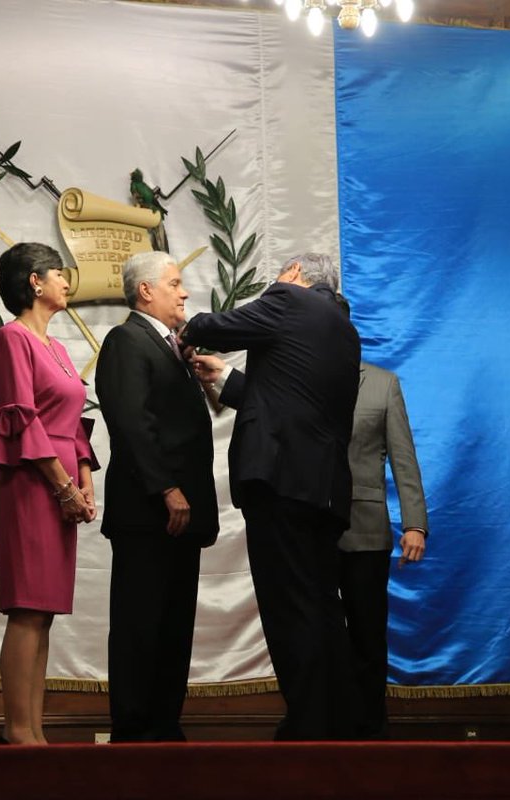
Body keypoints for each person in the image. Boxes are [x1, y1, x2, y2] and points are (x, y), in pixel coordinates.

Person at [184, 252, 361, 740]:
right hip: (324, 489)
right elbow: (291, 398)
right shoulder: (343, 328)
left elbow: (216, 327)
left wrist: (186, 326)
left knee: (288, 606)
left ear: (296, 274)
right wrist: (225, 378)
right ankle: (337, 721)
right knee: (322, 604)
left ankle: (306, 724)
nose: (277, 281)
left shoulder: (288, 299)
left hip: (281, 482)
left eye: (281, 274)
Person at [94, 251, 219, 742]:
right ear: (145, 290)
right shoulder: (126, 340)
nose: (184, 292)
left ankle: (165, 727)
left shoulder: (173, 347)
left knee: (174, 627)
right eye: (174, 283)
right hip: (148, 513)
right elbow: (132, 423)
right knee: (139, 624)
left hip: (179, 516)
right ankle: (133, 732)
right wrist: (167, 487)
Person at [0, 242, 99, 745]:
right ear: (35, 281)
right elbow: (23, 420)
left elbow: (72, 423)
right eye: (59, 272)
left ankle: (35, 731)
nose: (66, 281)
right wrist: (63, 486)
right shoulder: (12, 338)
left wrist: (85, 479)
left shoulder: (57, 347)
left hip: (60, 485)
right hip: (30, 482)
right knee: (27, 607)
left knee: (45, 611)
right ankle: (17, 731)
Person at [342, 358, 428, 739]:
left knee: (368, 637)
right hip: (309, 531)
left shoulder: (384, 384)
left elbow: (403, 459)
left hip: (365, 530)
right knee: (318, 639)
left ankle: (370, 734)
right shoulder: (305, 375)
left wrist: (414, 524)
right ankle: (325, 728)